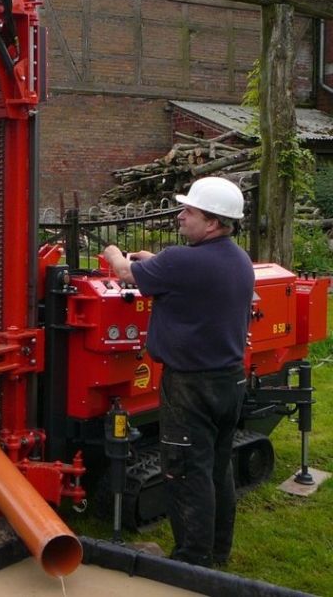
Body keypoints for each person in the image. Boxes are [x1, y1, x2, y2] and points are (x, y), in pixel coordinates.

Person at [103, 177, 254, 568]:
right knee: (217, 469)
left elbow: (125, 273)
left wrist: (114, 252)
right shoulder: (238, 258)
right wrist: (154, 261)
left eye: (189, 211)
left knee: (186, 471)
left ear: (213, 222)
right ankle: (217, 551)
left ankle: (191, 562)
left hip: (190, 385)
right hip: (230, 380)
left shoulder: (181, 262)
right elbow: (183, 274)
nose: (180, 216)